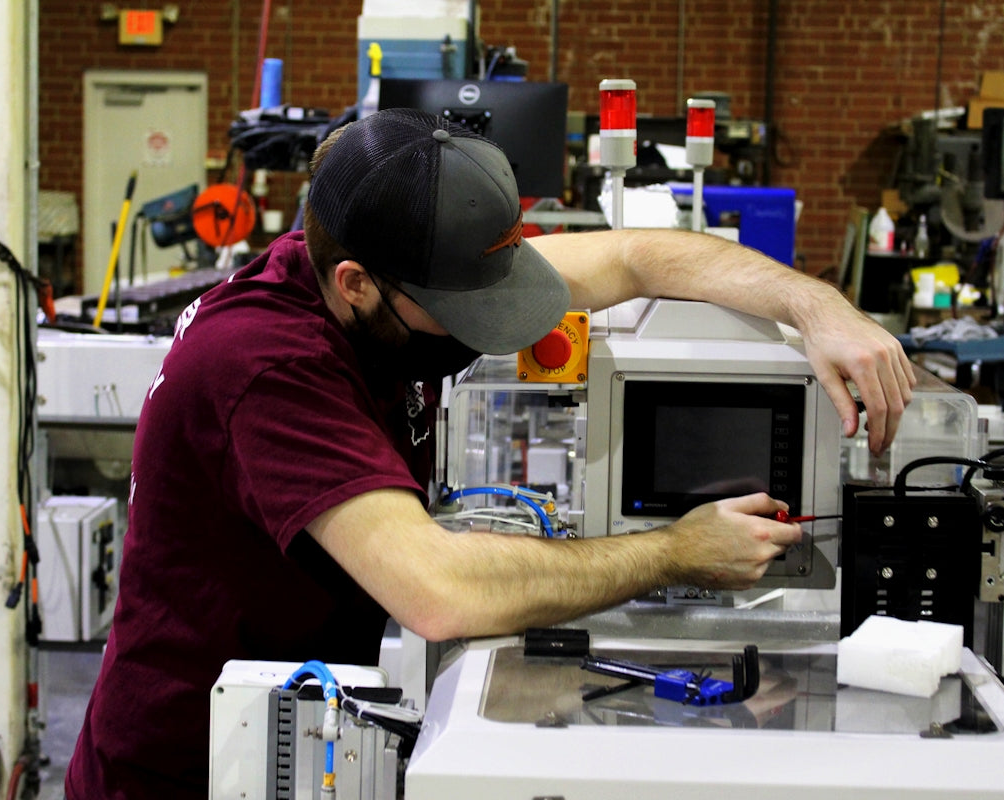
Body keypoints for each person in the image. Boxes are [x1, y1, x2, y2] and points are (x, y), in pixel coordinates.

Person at [65, 108, 914, 799]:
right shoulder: (265, 364)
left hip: (302, 729)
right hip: (191, 770)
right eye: (459, 312)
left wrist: (817, 307)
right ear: (356, 284)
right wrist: (676, 551)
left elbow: (637, 256)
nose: (479, 332)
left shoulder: (369, 262)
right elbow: (440, 592)